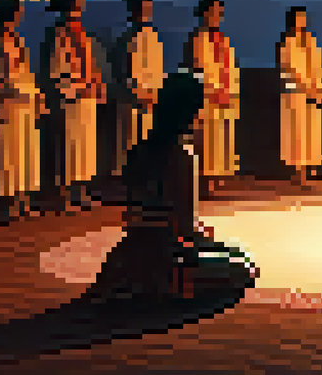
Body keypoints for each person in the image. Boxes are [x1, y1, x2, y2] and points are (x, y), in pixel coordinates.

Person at [83, 69, 257, 303]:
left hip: (131, 250)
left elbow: (133, 213)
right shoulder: (182, 155)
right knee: (243, 265)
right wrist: (211, 241)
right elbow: (185, 227)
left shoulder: (139, 150)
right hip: (168, 254)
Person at [43, 0, 105, 210]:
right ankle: (66, 193)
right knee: (71, 146)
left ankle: (82, 190)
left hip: (86, 95)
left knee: (85, 147)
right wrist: (77, 87)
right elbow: (57, 68)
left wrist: (95, 83)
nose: (81, 2)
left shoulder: (81, 31)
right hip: (72, 97)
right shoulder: (60, 32)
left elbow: (90, 62)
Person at [0, 0, 43, 222]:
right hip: (6, 105)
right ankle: (6, 203)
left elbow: (25, 71)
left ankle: (22, 199)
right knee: (8, 155)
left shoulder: (17, 39)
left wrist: (35, 94)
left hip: (24, 104)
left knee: (25, 153)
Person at [186, 0, 240, 197]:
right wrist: (213, 89)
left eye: (219, 12)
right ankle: (205, 181)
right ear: (204, 14)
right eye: (213, 12)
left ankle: (218, 179)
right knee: (208, 140)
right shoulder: (198, 38)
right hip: (208, 95)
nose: (216, 16)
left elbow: (231, 67)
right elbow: (199, 67)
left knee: (223, 140)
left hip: (226, 94)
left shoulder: (224, 39)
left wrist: (230, 90)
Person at [111, 0, 164, 176]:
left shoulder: (153, 36)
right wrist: (140, 93)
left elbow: (157, 69)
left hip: (151, 100)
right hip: (132, 101)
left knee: (148, 144)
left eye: (148, 7)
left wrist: (156, 93)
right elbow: (126, 71)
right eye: (141, 7)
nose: (145, 11)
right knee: (131, 142)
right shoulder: (126, 38)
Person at [278, 6, 322, 186]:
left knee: (311, 132)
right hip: (296, 92)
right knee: (297, 133)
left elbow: (318, 67)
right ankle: (299, 172)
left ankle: (309, 168)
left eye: (304, 18)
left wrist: (319, 88)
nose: (302, 22)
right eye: (299, 18)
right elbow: (289, 69)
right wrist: (305, 86)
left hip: (312, 93)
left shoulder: (311, 42)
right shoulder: (288, 42)